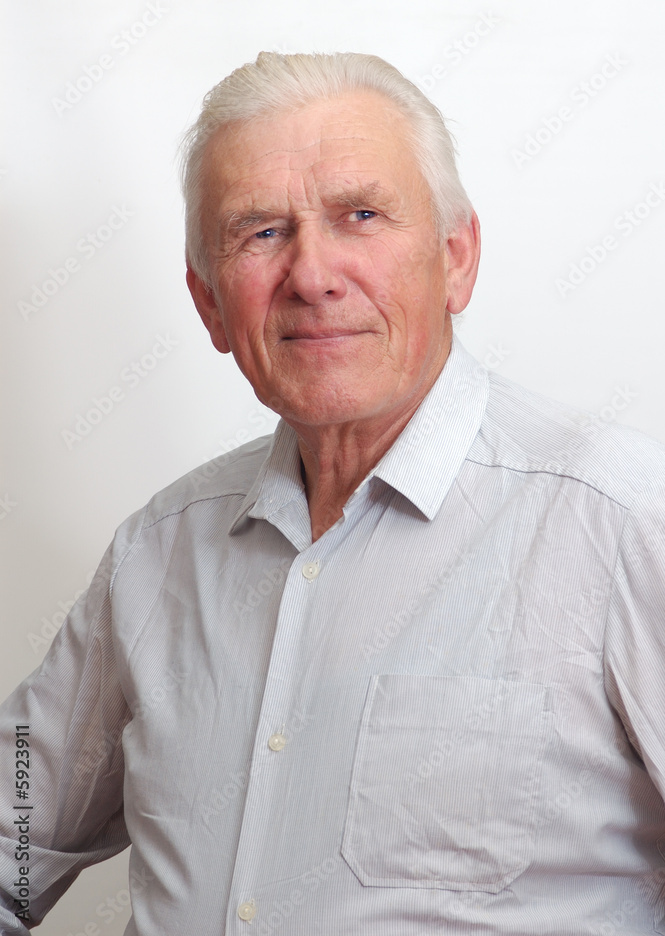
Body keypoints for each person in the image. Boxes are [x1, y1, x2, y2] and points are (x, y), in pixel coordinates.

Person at [1, 51, 664, 935]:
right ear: (208, 304)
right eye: (260, 232)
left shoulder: (618, 521)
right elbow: (12, 830)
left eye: (360, 214)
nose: (312, 275)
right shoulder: (155, 555)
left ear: (456, 259)